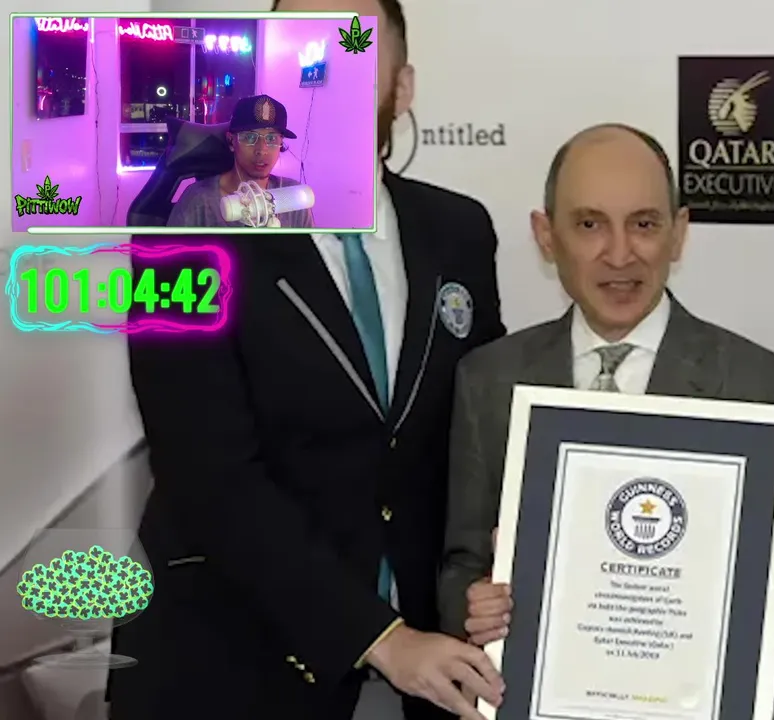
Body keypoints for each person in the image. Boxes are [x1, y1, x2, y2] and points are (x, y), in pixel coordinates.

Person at [107, 0, 509, 717]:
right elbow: (208, 476)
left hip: (428, 671)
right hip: (232, 669)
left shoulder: (458, 231)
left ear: (402, 87)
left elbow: (480, 436)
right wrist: (380, 638)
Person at [435, 123, 774, 719]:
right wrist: (473, 607)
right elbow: (461, 564)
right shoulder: (489, 381)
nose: (619, 254)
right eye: (589, 225)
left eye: (644, 224)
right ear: (546, 236)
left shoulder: (761, 389)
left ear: (678, 233)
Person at [167, 94, 315, 228]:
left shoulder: (294, 196)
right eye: (250, 137)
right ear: (232, 141)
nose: (261, 150)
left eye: (271, 138)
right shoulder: (199, 201)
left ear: (281, 143)